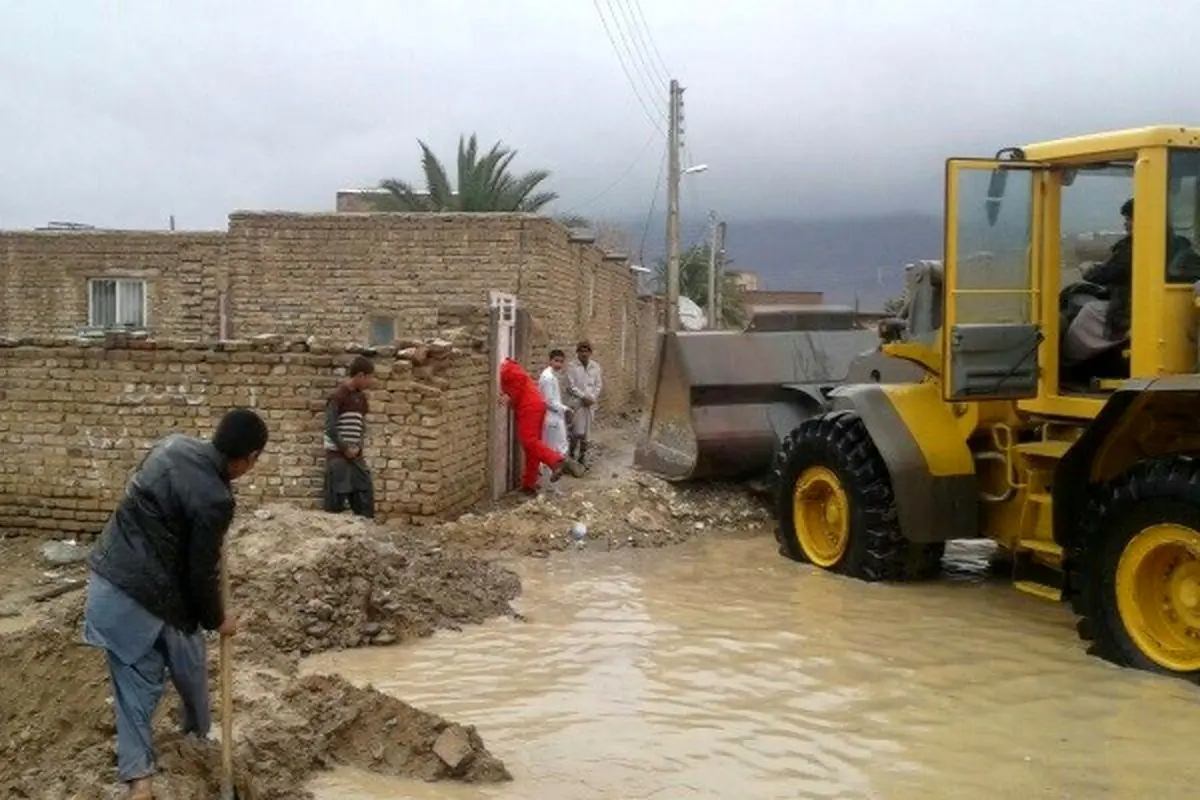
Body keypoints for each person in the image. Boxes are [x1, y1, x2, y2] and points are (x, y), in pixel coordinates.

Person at [83, 408, 269, 800]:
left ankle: (141, 780)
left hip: (110, 584)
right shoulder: (216, 499)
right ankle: (198, 741)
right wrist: (219, 620)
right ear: (248, 458)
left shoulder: (169, 446)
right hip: (149, 597)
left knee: (135, 689)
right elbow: (201, 572)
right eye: (254, 462)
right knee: (184, 671)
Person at [1063, 199, 1134, 365]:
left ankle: (1067, 363)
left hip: (1128, 305)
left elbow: (1106, 274)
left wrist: (1088, 270)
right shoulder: (1173, 242)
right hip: (1134, 299)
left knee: (1087, 309)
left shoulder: (1133, 247)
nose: (1126, 224)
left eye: (1129, 219)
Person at [499, 357, 578, 496]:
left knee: (529, 441)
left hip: (529, 407)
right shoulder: (510, 367)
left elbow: (519, 382)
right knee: (532, 447)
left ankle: (555, 461)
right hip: (534, 405)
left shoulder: (507, 369)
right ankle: (529, 485)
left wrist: (509, 397)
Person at [323, 355, 376, 518]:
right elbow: (330, 427)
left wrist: (358, 447)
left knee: (364, 493)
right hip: (338, 456)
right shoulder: (338, 396)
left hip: (355, 456)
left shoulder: (361, 398)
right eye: (369, 378)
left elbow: (361, 426)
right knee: (336, 499)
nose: (370, 382)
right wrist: (344, 448)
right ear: (360, 375)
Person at [566, 341, 603, 466]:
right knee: (576, 431)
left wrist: (592, 398)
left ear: (590, 352)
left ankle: (582, 457)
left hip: (590, 404)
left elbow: (598, 385)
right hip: (577, 404)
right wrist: (583, 397)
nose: (584, 354)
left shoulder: (595, 367)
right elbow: (570, 386)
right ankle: (571, 455)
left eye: (586, 351)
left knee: (586, 433)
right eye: (581, 351)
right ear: (577, 352)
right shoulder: (572, 366)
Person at [538, 349, 572, 486]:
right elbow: (549, 401)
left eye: (561, 362)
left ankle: (552, 487)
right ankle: (548, 486)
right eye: (556, 361)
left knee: (558, 451)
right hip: (551, 419)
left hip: (555, 417)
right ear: (550, 360)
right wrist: (566, 409)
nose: (558, 364)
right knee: (552, 451)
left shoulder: (552, 375)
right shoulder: (547, 377)